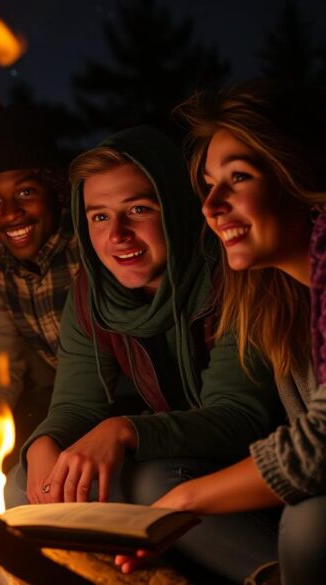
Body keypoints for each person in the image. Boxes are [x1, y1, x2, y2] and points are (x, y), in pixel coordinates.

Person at [6, 126, 285, 580]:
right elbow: (76, 404)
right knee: (25, 481)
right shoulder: (92, 294)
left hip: (256, 465)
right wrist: (44, 446)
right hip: (178, 450)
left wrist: (123, 432)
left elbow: (238, 417)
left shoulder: (235, 273)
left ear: (175, 207)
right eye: (98, 217)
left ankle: (275, 571)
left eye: (138, 209)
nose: (117, 235)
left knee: (156, 481)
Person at [114, 80, 326, 584]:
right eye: (208, 186)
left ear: (295, 176)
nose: (211, 206)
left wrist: (183, 503)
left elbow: (317, 446)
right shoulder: (282, 297)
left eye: (238, 178)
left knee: (310, 521)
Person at [0, 105, 79, 457]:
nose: (10, 212)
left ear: (54, 189)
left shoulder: (89, 243)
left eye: (26, 192)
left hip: (134, 399)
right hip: (69, 409)